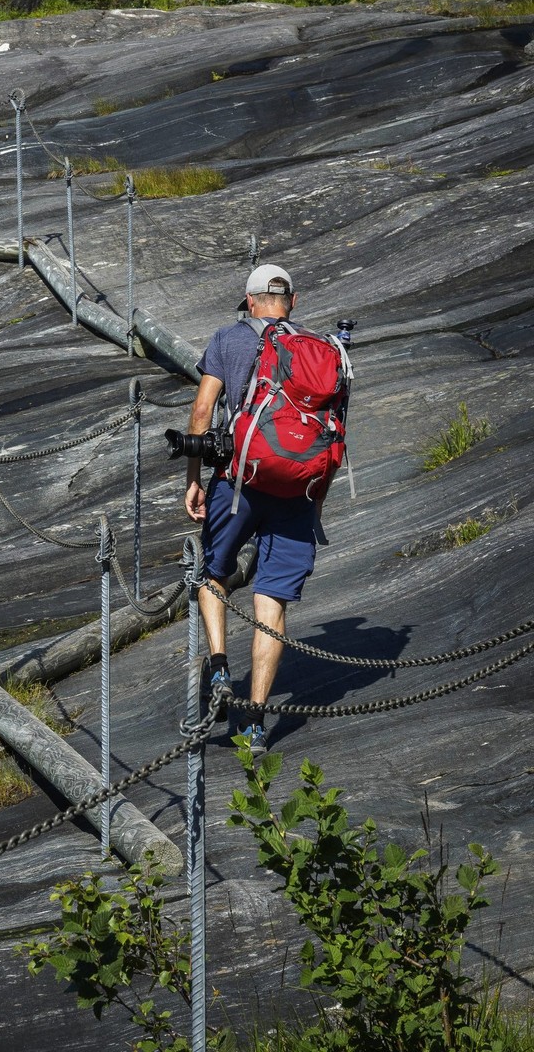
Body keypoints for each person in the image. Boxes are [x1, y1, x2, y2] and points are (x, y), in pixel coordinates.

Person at [184, 263, 318, 756]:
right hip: (298, 490)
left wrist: (194, 480)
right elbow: (333, 433)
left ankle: (219, 665)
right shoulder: (319, 348)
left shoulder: (227, 338)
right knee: (272, 601)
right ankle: (256, 723)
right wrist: (313, 503)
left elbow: (202, 413)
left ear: (250, 300)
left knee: (213, 572)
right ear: (293, 301)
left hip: (238, 482)